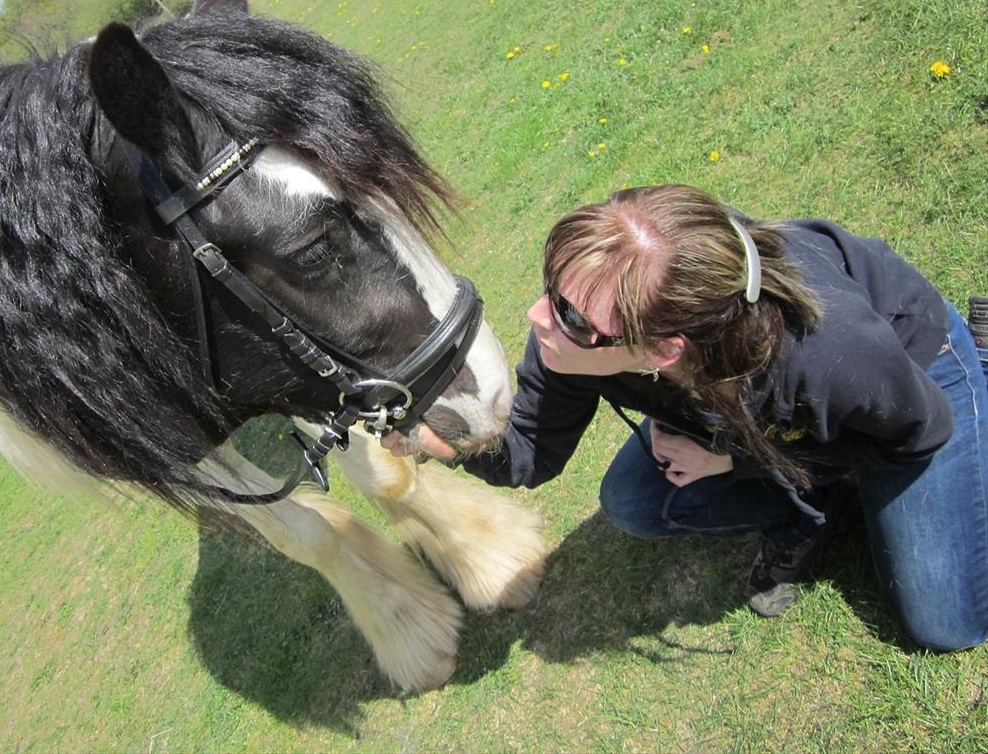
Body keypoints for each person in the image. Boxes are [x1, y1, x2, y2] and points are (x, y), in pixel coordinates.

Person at [385, 184, 987, 652]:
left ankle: (979, 354)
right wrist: (439, 438)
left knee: (946, 624)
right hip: (744, 418)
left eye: (570, 317)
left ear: (663, 350)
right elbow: (529, 452)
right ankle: (811, 512)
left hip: (912, 389)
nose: (538, 315)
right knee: (635, 501)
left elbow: (918, 437)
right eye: (552, 289)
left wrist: (737, 458)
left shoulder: (830, 354)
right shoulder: (598, 326)